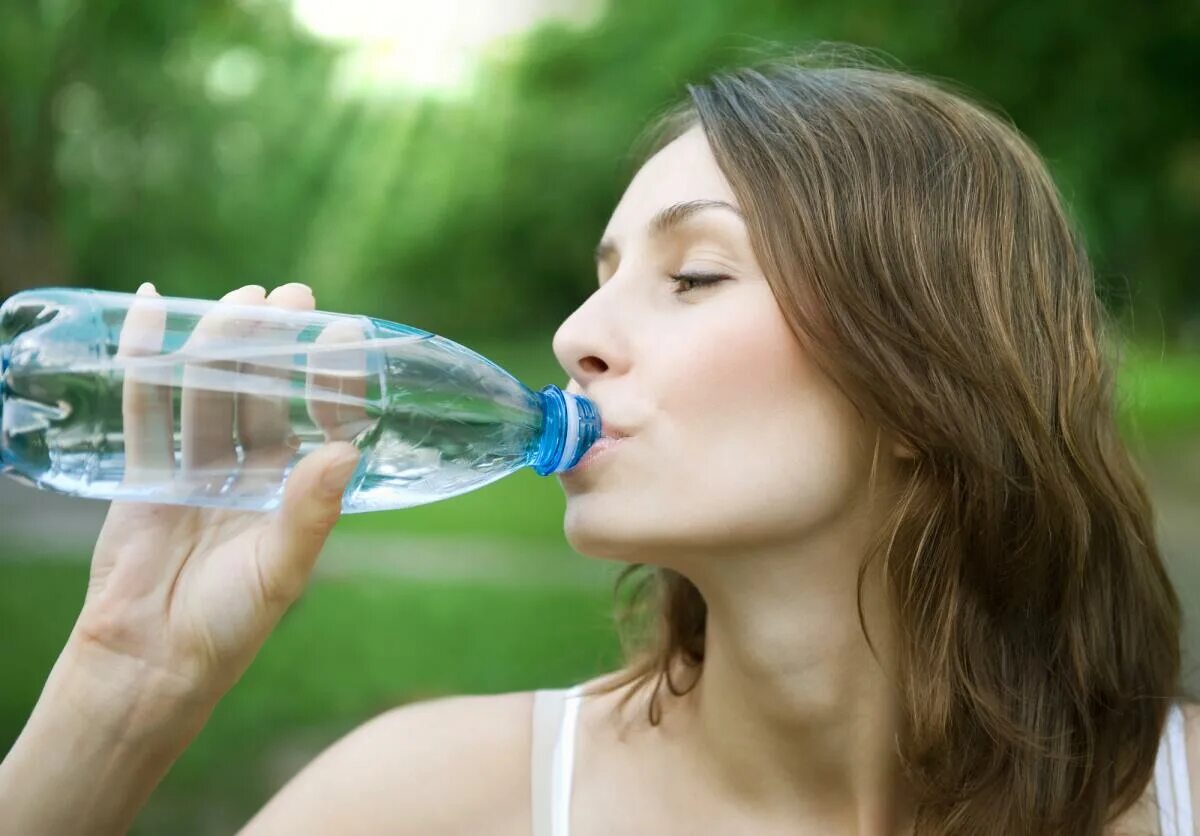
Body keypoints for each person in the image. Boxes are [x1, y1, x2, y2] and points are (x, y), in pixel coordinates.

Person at [0, 47, 1195, 836]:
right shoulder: (422, 802)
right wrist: (119, 691)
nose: (577, 333)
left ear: (929, 373)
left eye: (696, 273)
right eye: (602, 276)